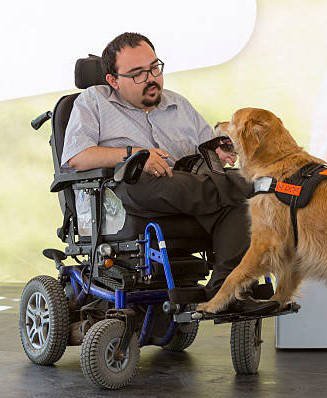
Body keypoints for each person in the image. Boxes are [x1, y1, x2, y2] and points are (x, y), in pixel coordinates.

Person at [61, 32, 265, 309]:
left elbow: (203, 150)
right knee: (238, 189)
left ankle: (225, 292)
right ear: (113, 80)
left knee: (244, 208)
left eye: (154, 68)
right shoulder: (93, 102)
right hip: (127, 192)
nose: (151, 79)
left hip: (186, 189)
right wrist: (135, 156)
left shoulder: (178, 105)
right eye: (137, 74)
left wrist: (216, 153)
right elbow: (76, 157)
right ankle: (256, 184)